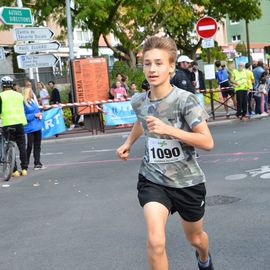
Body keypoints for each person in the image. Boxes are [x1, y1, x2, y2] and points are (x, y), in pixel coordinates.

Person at [116, 36, 214, 270]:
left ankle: (204, 258)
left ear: (171, 66)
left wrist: (170, 130)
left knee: (195, 239)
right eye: (148, 63)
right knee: (156, 241)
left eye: (159, 63)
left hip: (187, 182)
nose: (152, 69)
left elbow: (207, 142)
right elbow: (142, 121)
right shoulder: (139, 101)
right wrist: (129, 142)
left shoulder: (185, 101)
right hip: (153, 179)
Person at [0, 76, 28, 177]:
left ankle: (14, 171)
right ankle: (24, 169)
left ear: (2, 85)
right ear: (12, 85)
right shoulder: (19, 95)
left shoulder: (1, 96)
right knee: (21, 146)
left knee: (8, 145)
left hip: (7, 124)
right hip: (19, 123)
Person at [23, 87, 45, 170]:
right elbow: (24, 116)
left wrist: (40, 114)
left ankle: (37, 162)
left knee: (37, 145)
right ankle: (25, 163)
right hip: (29, 128)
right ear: (27, 93)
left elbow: (37, 110)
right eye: (30, 92)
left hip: (37, 126)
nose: (32, 94)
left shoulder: (33, 101)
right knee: (29, 146)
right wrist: (34, 115)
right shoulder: (24, 103)